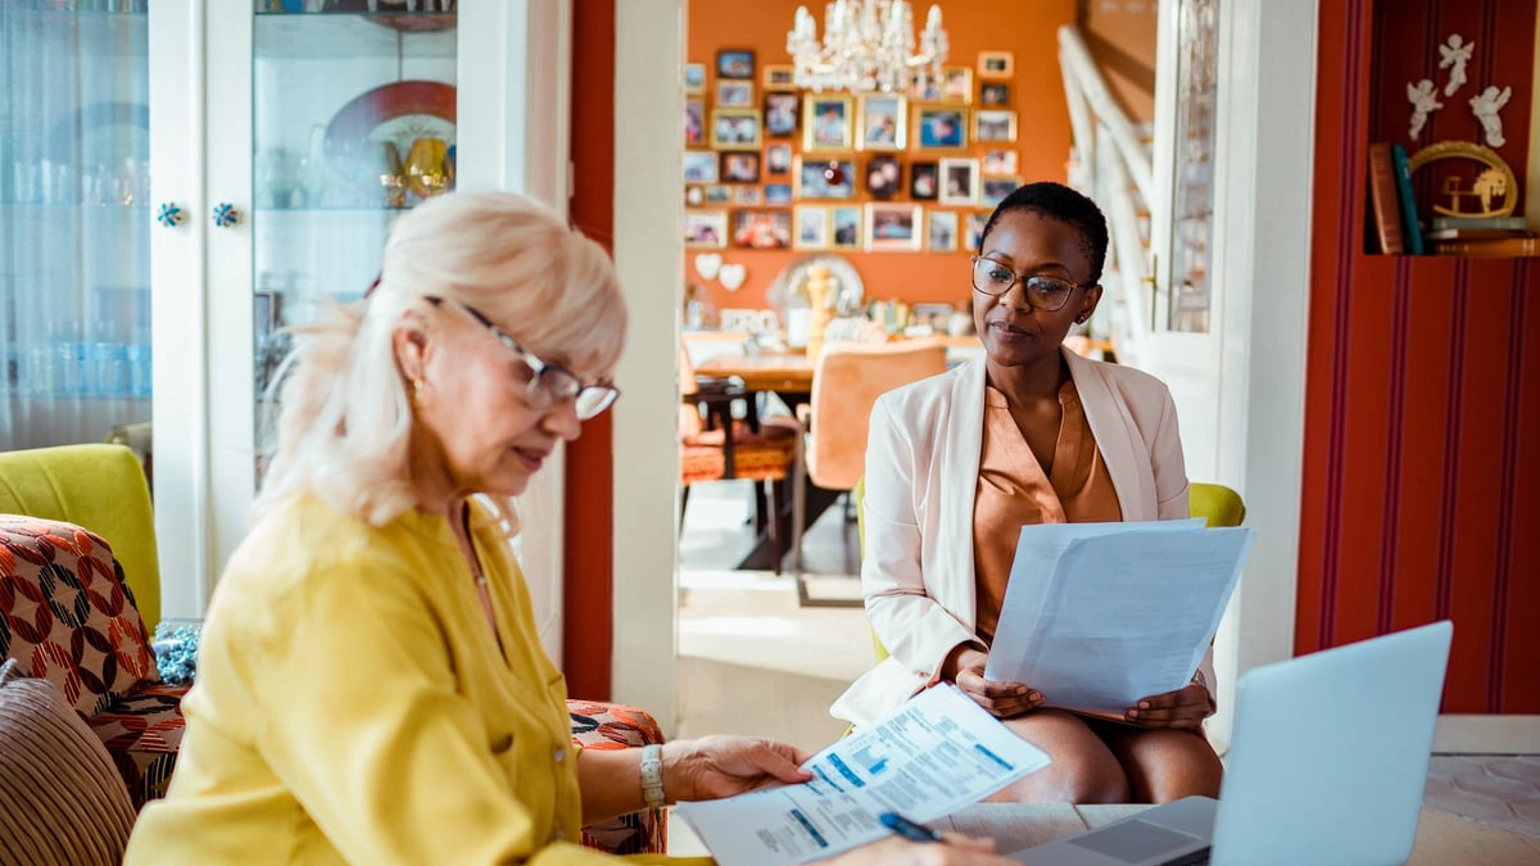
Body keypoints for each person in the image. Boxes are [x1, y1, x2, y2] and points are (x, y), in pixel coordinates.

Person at [123, 192, 1015, 866]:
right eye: (542, 373)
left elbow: (506, 772)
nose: (570, 419)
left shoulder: (463, 526)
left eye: (583, 383)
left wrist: (679, 768)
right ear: (414, 347)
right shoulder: (331, 573)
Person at [831, 182, 1224, 806]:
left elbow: (1173, 580)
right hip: (992, 689)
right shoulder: (908, 416)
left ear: (1086, 302)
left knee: (1191, 788)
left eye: (1047, 285)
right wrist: (962, 662)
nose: (1012, 303)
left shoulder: (1144, 403)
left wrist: (1193, 681)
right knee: (1086, 782)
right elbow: (891, 591)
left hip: (1126, 687)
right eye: (998, 273)